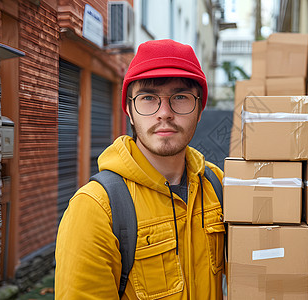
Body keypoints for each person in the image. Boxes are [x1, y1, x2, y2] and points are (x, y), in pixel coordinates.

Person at [55, 39, 225, 299]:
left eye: (180, 97)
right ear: (129, 110)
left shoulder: (218, 185)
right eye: (148, 98)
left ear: (200, 109)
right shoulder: (96, 208)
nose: (164, 113)